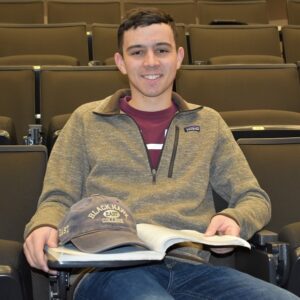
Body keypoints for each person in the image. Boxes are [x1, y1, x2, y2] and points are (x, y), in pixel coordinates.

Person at [24, 8, 299, 300]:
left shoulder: (208, 123)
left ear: (179, 57)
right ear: (120, 62)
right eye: (138, 52)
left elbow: (253, 197)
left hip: (192, 269)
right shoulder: (85, 120)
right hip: (107, 270)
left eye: (162, 50)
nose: (151, 62)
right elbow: (57, 197)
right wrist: (44, 224)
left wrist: (234, 219)